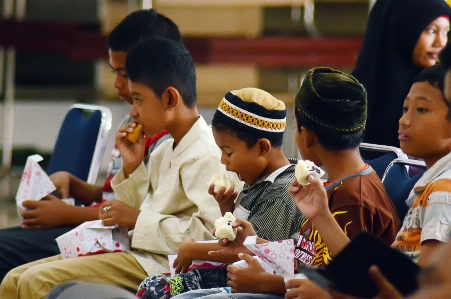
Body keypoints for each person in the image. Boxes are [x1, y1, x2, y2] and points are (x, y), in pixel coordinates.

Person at [0, 38, 223, 299]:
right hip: (137, 252)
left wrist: (137, 219)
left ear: (170, 98)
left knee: (36, 282)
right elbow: (135, 212)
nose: (133, 112)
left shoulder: (205, 154)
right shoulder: (166, 149)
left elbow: (208, 237)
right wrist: (132, 168)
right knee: (13, 280)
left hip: (164, 266)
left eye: (138, 99)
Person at [171, 67, 401, 299]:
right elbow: (306, 258)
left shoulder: (353, 199)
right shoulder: (330, 187)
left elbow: (346, 284)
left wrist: (265, 283)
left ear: (307, 134)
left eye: (295, 127)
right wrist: (253, 242)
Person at [0, 9, 178, 282]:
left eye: (125, 73)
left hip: (114, 240)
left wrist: (68, 214)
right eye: (114, 71)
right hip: (95, 227)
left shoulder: (167, 137)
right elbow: (117, 195)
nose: (118, 84)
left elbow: (138, 213)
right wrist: (78, 187)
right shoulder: (132, 122)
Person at [297, 64, 451, 299]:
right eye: (405, 108)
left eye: (421, 110)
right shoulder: (430, 187)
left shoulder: (442, 193)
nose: (404, 120)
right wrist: (320, 215)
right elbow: (376, 276)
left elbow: (423, 290)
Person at [137, 88, 306, 299]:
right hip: (230, 276)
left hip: (250, 286)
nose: (223, 161)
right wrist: (226, 209)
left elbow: (252, 254)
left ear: (262, 148)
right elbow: (240, 240)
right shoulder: (260, 179)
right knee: (153, 285)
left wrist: (193, 250)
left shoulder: (280, 192)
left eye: (229, 152)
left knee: (156, 291)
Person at [352, 0, 451, 148]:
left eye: (446, 33)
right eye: (432, 31)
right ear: (400, 29)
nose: (441, 42)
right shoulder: (348, 94)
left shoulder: (442, 89)